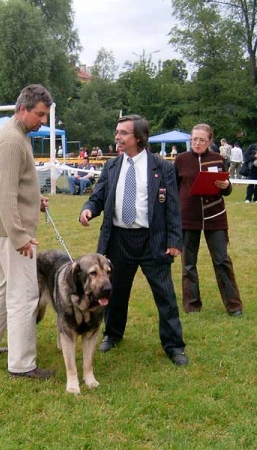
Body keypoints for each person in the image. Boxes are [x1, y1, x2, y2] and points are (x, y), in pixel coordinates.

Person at [79, 114, 188, 366]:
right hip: (118, 240)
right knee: (113, 293)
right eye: (117, 132)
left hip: (153, 241)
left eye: (123, 133)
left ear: (138, 137)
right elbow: (97, 197)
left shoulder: (162, 167)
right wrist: (88, 209)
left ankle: (174, 345)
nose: (117, 137)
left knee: (166, 296)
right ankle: (112, 334)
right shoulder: (111, 166)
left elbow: (172, 206)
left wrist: (174, 240)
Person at [0, 84, 54, 380]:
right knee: (24, 294)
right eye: (39, 114)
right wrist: (20, 237)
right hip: (10, 232)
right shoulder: (11, 140)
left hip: (3, 227)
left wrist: (35, 200)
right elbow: (5, 195)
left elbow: (15, 188)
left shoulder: (17, 134)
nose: (42, 120)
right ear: (23, 109)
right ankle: (22, 364)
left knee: (1, 285)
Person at [174, 124, 243, 317]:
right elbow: (174, 189)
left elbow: (226, 189)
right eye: (194, 139)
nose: (197, 143)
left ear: (210, 141)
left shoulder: (218, 159)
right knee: (188, 264)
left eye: (202, 140)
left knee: (222, 260)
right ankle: (192, 305)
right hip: (188, 218)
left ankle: (234, 305)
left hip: (215, 217)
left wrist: (226, 185)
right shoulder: (181, 160)